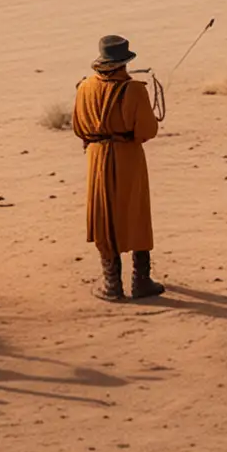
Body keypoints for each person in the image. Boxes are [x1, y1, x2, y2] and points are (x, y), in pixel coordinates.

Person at [72, 35, 163, 302]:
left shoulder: (84, 87)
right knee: (135, 213)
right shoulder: (134, 90)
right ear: (124, 62)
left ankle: (112, 284)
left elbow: (78, 127)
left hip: (96, 157)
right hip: (127, 158)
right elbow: (147, 130)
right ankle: (140, 281)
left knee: (104, 215)